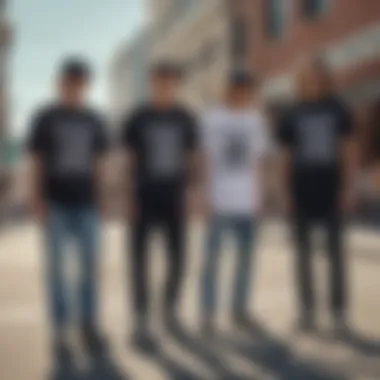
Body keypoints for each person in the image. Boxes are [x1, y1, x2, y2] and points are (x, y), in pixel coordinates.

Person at [27, 58, 109, 358]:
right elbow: (36, 161)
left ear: (85, 86)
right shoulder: (45, 117)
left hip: (87, 204)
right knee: (57, 273)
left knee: (89, 269)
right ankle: (60, 332)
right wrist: (36, 200)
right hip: (56, 205)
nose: (74, 87)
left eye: (80, 83)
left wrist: (101, 201)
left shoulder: (94, 119)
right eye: (69, 82)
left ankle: (88, 325)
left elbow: (100, 163)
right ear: (60, 83)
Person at [121, 62, 200, 347]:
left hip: (174, 197)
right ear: (151, 82)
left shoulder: (186, 117)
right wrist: (127, 196)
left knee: (177, 257)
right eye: (159, 81)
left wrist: (193, 192)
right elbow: (129, 161)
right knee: (139, 259)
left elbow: (192, 160)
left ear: (176, 84)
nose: (164, 85)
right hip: (143, 197)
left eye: (169, 81)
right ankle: (141, 316)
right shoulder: (138, 117)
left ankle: (170, 311)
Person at [277, 57, 357, 334]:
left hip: (332, 189)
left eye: (316, 76)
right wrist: (285, 191)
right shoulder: (292, 112)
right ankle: (307, 311)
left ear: (324, 78)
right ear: (300, 81)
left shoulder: (338, 109)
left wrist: (348, 188)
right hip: (301, 190)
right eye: (306, 77)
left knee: (335, 254)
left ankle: (338, 314)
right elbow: (286, 157)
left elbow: (348, 151)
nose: (311, 81)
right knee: (303, 254)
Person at [200, 71, 269, 335]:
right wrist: (204, 196)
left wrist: (260, 196)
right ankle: (207, 313)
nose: (241, 94)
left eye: (246, 90)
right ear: (228, 89)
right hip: (219, 201)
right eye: (237, 89)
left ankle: (239, 310)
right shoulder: (213, 117)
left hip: (248, 201)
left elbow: (258, 160)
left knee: (245, 261)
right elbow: (206, 159)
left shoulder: (255, 119)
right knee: (213, 261)